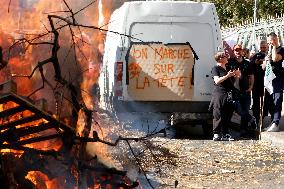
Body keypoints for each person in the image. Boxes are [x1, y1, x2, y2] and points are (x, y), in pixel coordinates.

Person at [210, 52, 241, 141]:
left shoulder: (227, 69)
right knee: (218, 113)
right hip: (219, 94)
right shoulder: (215, 68)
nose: (227, 57)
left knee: (228, 114)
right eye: (225, 56)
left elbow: (234, 84)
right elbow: (217, 81)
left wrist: (237, 76)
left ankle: (225, 133)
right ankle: (216, 134)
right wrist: (227, 75)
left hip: (229, 95)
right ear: (220, 59)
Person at [227, 44, 255, 137]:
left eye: (239, 50)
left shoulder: (247, 63)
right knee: (239, 110)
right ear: (233, 52)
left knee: (245, 110)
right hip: (235, 91)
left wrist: (251, 87)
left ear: (242, 51)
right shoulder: (230, 62)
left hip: (246, 91)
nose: (238, 52)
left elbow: (251, 76)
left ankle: (243, 130)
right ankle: (251, 119)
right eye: (236, 50)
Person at [264, 32, 284, 132]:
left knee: (277, 100)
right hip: (270, 80)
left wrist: (274, 47)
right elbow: (263, 67)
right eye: (268, 41)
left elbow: (276, 59)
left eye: (270, 41)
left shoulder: (281, 50)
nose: (269, 43)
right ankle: (273, 121)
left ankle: (276, 122)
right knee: (270, 101)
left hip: (278, 79)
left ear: (275, 39)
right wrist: (265, 61)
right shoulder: (269, 51)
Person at [250, 40, 270, 126]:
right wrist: (262, 60)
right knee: (256, 103)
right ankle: (256, 120)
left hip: (267, 83)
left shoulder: (270, 55)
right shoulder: (256, 55)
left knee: (266, 103)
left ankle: (263, 119)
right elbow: (253, 62)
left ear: (267, 47)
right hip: (256, 83)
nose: (263, 49)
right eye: (261, 47)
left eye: (264, 47)